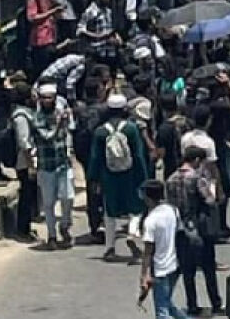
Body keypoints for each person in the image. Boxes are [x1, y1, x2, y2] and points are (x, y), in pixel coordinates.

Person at [88, 92, 152, 261]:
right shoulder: (131, 129)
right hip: (130, 175)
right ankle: (132, 232)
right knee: (136, 208)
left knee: (109, 212)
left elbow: (95, 158)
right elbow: (138, 155)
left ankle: (109, 248)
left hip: (109, 176)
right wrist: (144, 176)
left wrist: (93, 179)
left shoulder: (100, 132)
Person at [166, 146, 224, 316]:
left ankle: (192, 304)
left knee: (187, 270)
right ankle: (215, 303)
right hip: (200, 228)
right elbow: (210, 201)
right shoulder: (197, 178)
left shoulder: (171, 179)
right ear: (197, 160)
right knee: (208, 268)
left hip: (180, 229)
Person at [31, 82, 73, 249]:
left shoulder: (61, 113)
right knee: (48, 203)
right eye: (44, 98)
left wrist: (67, 121)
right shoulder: (37, 117)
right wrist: (58, 124)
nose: (47, 101)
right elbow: (47, 136)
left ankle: (64, 225)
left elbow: (69, 132)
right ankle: (52, 236)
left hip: (63, 163)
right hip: (46, 165)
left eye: (50, 98)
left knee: (68, 197)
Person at [139, 179, 189, 319]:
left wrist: (144, 276)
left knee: (162, 311)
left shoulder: (151, 221)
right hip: (175, 265)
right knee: (167, 303)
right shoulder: (173, 210)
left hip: (160, 270)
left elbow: (148, 252)